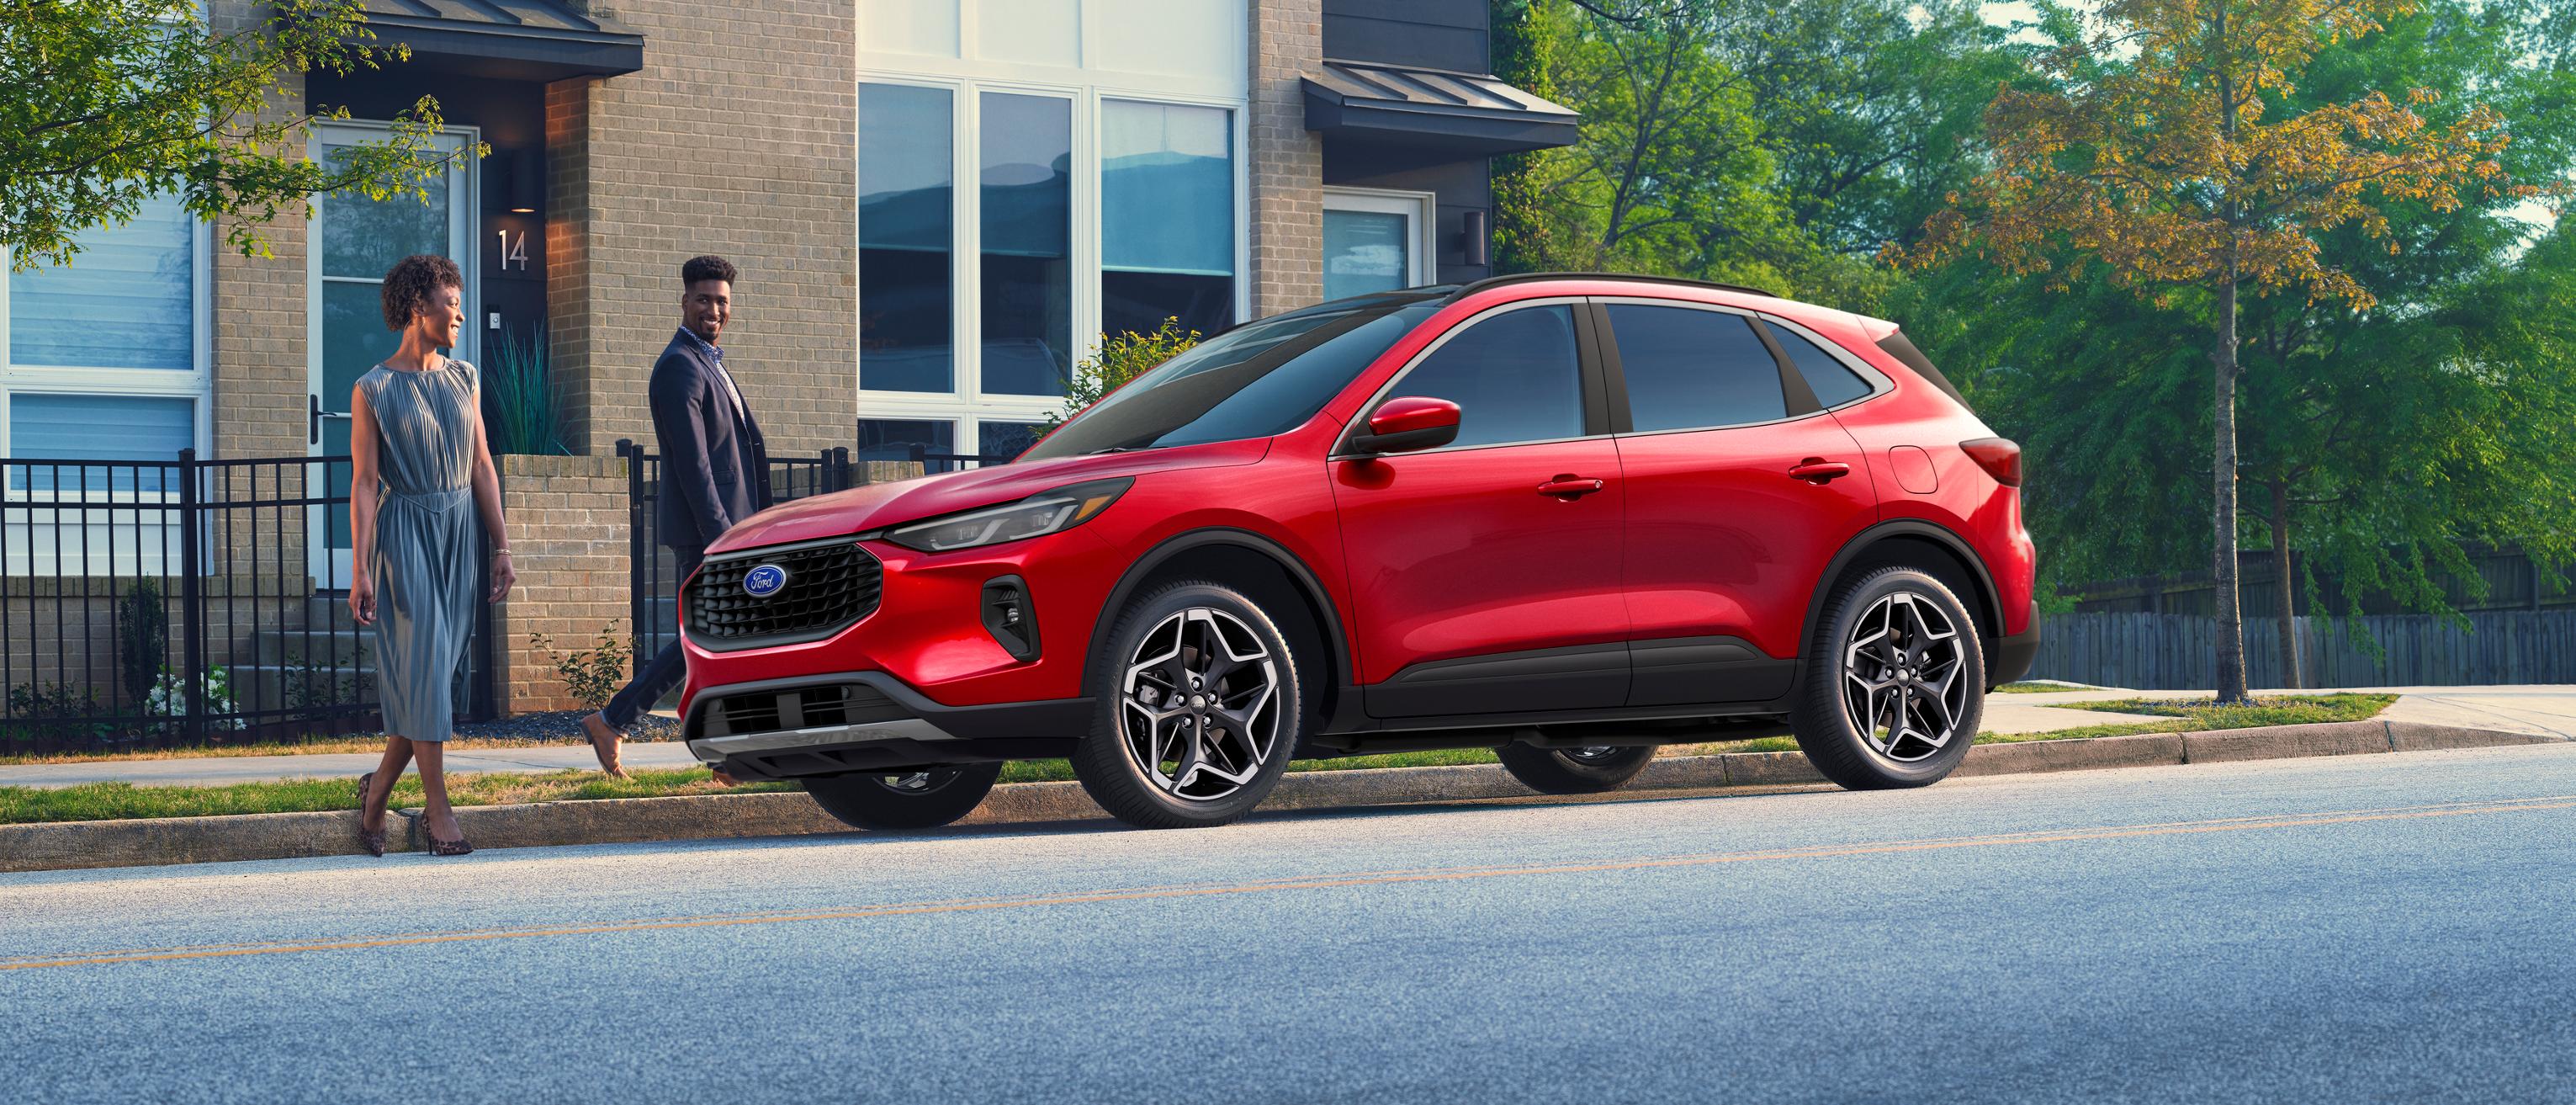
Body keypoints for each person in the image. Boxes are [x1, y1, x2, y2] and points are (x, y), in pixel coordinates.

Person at [349, 255, 517, 858]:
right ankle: (437, 810)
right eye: (451, 301)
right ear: (419, 306)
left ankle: (374, 797)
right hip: (406, 536)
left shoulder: (464, 377)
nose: (460, 313)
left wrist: (501, 545)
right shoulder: (373, 388)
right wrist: (361, 566)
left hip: (459, 532)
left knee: (432, 680)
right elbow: (366, 482)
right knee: (424, 669)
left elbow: (481, 466)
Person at [581, 255, 770, 779]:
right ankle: (627, 724)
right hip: (707, 532)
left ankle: (626, 724)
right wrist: (723, 537)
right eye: (705, 299)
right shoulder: (679, 366)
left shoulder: (710, 361)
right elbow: (694, 466)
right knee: (707, 639)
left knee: (713, 640)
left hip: (731, 527)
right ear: (684, 301)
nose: (714, 309)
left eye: (723, 301)